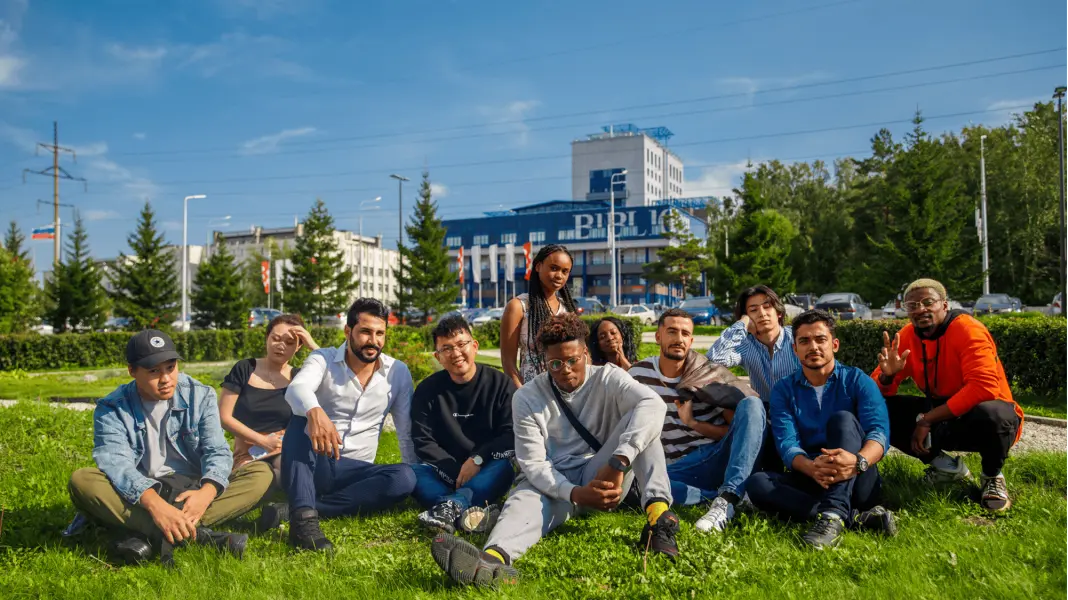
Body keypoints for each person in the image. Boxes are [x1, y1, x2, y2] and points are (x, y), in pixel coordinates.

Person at [430, 314, 679, 588]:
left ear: (586, 353)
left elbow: (654, 405)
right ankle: (491, 561)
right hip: (555, 484)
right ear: (544, 362)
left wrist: (619, 462)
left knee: (644, 423)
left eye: (573, 360)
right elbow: (534, 464)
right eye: (556, 363)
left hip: (604, 474)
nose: (565, 370)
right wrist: (574, 492)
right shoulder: (527, 397)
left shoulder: (610, 378)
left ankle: (659, 519)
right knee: (524, 500)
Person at [68, 330, 273, 565]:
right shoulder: (112, 408)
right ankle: (197, 534)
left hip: (191, 490)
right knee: (82, 480)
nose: (166, 378)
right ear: (132, 371)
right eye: (154, 371)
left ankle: (147, 532)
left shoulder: (200, 395)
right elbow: (118, 465)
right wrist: (155, 506)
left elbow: (216, 451)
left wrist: (207, 493)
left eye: (171, 367)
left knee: (260, 473)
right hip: (143, 494)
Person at [746, 310, 897, 549]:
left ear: (834, 344)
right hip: (812, 474)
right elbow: (787, 443)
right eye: (804, 341)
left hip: (857, 475)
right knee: (757, 483)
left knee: (843, 420)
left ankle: (832, 515)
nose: (813, 347)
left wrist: (857, 462)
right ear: (795, 350)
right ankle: (853, 518)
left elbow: (879, 433)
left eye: (820, 339)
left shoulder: (858, 380)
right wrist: (811, 467)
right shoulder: (784, 390)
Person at [872, 278, 1024, 512]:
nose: (920, 309)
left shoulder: (968, 329)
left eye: (928, 302)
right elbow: (873, 393)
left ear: (944, 305)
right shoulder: (907, 336)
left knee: (994, 413)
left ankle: (992, 477)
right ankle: (948, 469)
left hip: (985, 415)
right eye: (912, 305)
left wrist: (927, 419)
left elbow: (983, 388)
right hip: (943, 414)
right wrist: (887, 377)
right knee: (880, 409)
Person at [281, 298, 417, 552]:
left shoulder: (397, 372)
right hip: (315, 463)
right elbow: (296, 389)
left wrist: (417, 481)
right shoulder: (323, 359)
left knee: (405, 478)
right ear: (348, 331)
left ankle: (305, 507)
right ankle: (303, 524)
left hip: (356, 472)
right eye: (365, 331)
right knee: (300, 420)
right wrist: (315, 412)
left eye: (380, 333)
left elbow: (406, 430)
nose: (373, 340)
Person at [630, 308, 766, 533]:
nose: (678, 339)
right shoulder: (637, 375)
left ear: (691, 340)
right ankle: (719, 497)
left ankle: (729, 495)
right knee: (639, 485)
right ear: (658, 336)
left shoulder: (708, 375)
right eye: (672, 332)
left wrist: (693, 423)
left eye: (685, 334)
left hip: (709, 458)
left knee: (752, 404)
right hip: (670, 468)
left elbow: (736, 433)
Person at [411, 315, 517, 534]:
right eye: (447, 348)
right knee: (412, 474)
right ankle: (464, 509)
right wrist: (456, 471)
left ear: (475, 346)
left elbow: (510, 434)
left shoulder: (501, 384)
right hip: (443, 471)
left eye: (461, 344)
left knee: (504, 467)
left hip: (485, 467)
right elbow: (423, 441)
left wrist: (477, 459)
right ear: (438, 357)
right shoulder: (427, 390)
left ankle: (448, 507)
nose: (456, 353)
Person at [219, 313, 318, 529]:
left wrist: (312, 344)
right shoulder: (245, 368)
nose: (281, 346)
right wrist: (263, 441)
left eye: (290, 342)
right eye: (276, 338)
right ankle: (283, 507)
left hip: (284, 450)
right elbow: (224, 417)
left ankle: (281, 508)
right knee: (273, 476)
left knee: (293, 468)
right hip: (248, 451)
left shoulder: (299, 377)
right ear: (267, 338)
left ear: (298, 347)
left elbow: (334, 382)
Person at [707, 285, 802, 471]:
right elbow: (714, 359)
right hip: (765, 413)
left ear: (779, 313)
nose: (762, 313)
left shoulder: (796, 338)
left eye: (767, 307)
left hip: (799, 407)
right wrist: (742, 324)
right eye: (753, 310)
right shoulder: (746, 346)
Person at [500, 244, 577, 387]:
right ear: (538, 266)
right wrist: (522, 395)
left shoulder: (568, 309)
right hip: (531, 391)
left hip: (567, 391)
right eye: (554, 268)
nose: (559, 275)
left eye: (565, 271)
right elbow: (507, 362)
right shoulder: (519, 306)